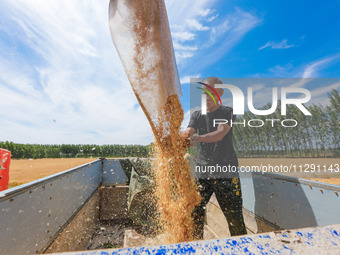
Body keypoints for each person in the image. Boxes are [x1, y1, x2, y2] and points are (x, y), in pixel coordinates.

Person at [182, 76, 247, 239]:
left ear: (220, 93)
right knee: (194, 213)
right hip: (203, 173)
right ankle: (197, 246)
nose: (207, 97)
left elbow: (220, 133)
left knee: (234, 218)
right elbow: (189, 131)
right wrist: (183, 138)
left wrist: (198, 138)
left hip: (226, 173)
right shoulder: (197, 115)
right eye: (205, 93)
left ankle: (243, 248)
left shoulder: (227, 112)